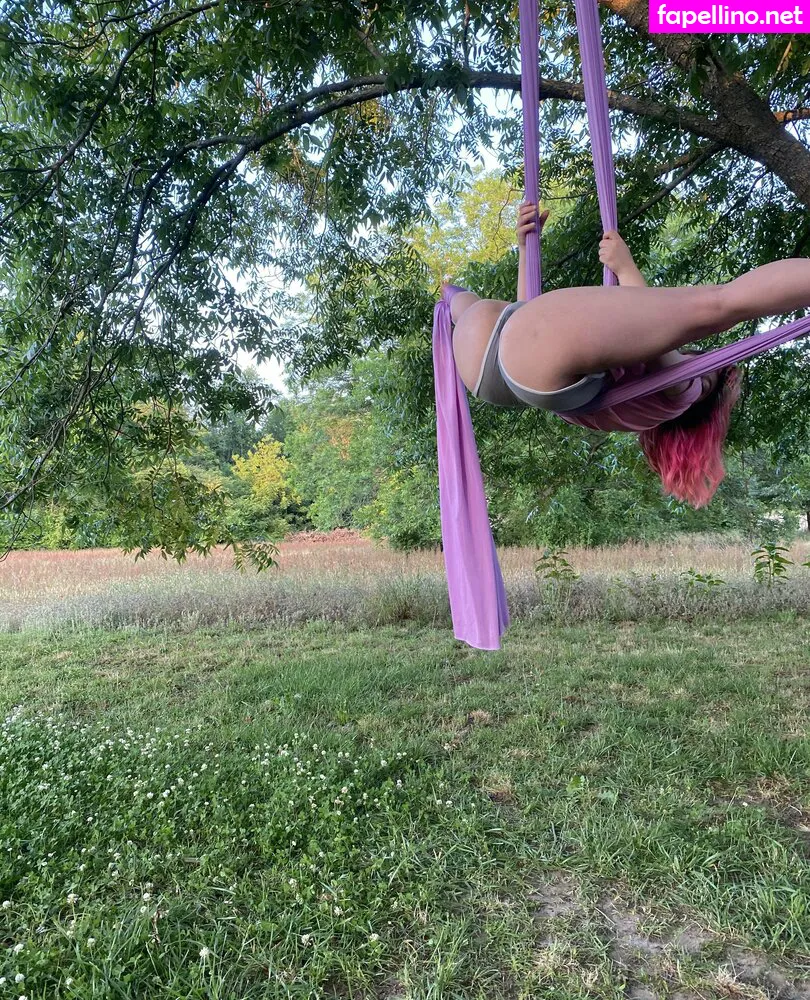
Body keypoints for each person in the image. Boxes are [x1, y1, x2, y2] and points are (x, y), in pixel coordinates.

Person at [448, 202, 810, 507]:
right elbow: (526, 331)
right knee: (471, 305)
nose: (701, 363)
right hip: (490, 372)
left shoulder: (682, 394)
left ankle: (451, 300)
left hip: (512, 349)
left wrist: (625, 267)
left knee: (719, 304)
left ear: (704, 395)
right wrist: (527, 249)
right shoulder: (636, 406)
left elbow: (660, 339)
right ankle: (450, 299)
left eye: (711, 373)